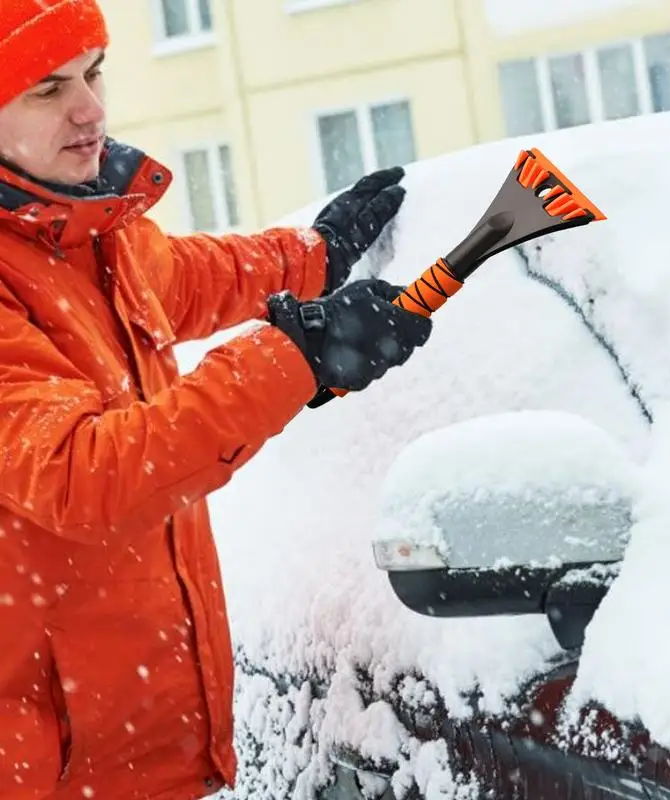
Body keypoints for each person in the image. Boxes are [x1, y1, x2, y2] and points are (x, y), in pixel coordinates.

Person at [0, 1, 432, 798]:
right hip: (55, 775)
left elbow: (190, 277)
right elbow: (82, 473)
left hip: (147, 756)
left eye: (94, 73)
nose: (90, 109)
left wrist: (313, 257)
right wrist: (299, 356)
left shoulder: (91, 231)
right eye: (47, 88)